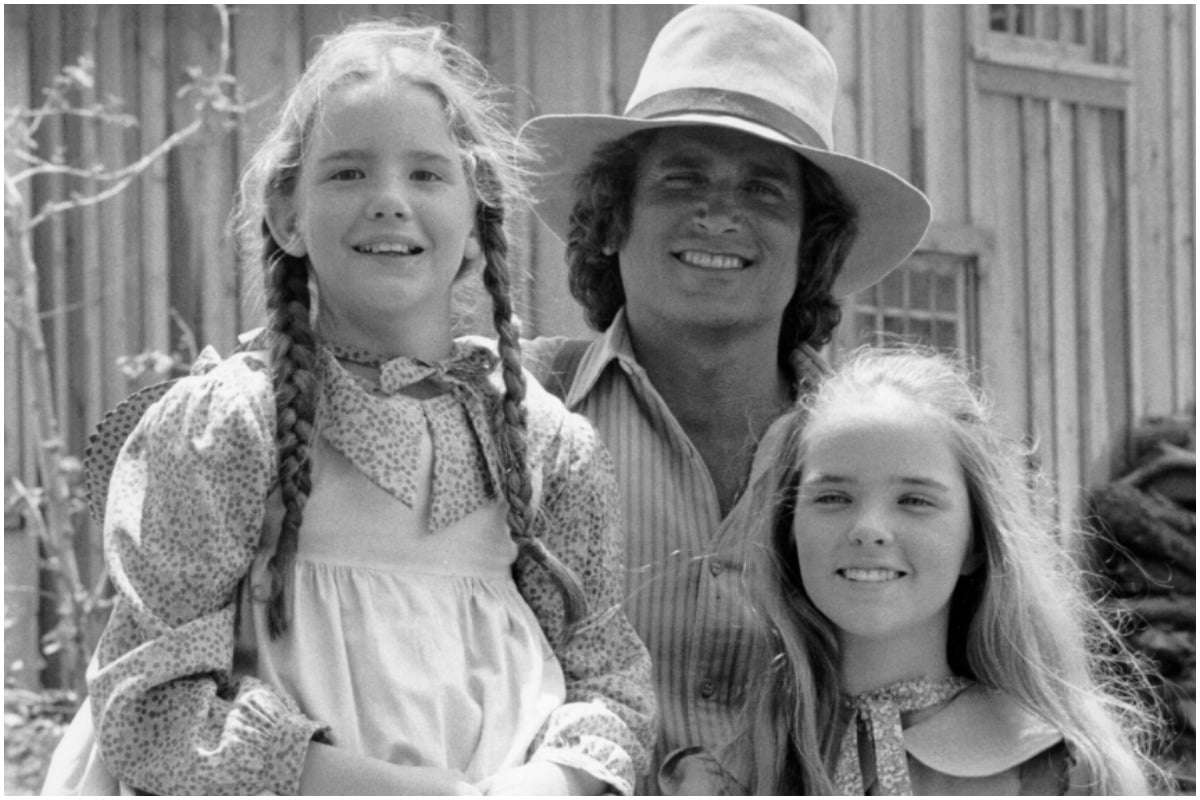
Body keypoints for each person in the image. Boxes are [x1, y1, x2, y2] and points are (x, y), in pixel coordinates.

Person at [58, 20, 653, 796]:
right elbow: (154, 701)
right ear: (286, 217)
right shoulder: (232, 425)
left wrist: (546, 785)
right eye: (346, 174)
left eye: (427, 175)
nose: (388, 202)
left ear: (477, 224)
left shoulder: (540, 441)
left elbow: (609, 680)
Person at [518, 4, 931, 789]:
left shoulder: (886, 449)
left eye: (764, 190)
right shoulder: (515, 412)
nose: (719, 213)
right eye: (683, 179)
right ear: (610, 220)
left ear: (813, 245)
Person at [679, 346, 1164, 794]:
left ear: (976, 540)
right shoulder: (735, 773)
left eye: (914, 500)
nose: (869, 529)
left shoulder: (1059, 770)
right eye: (832, 497)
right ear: (788, 531)